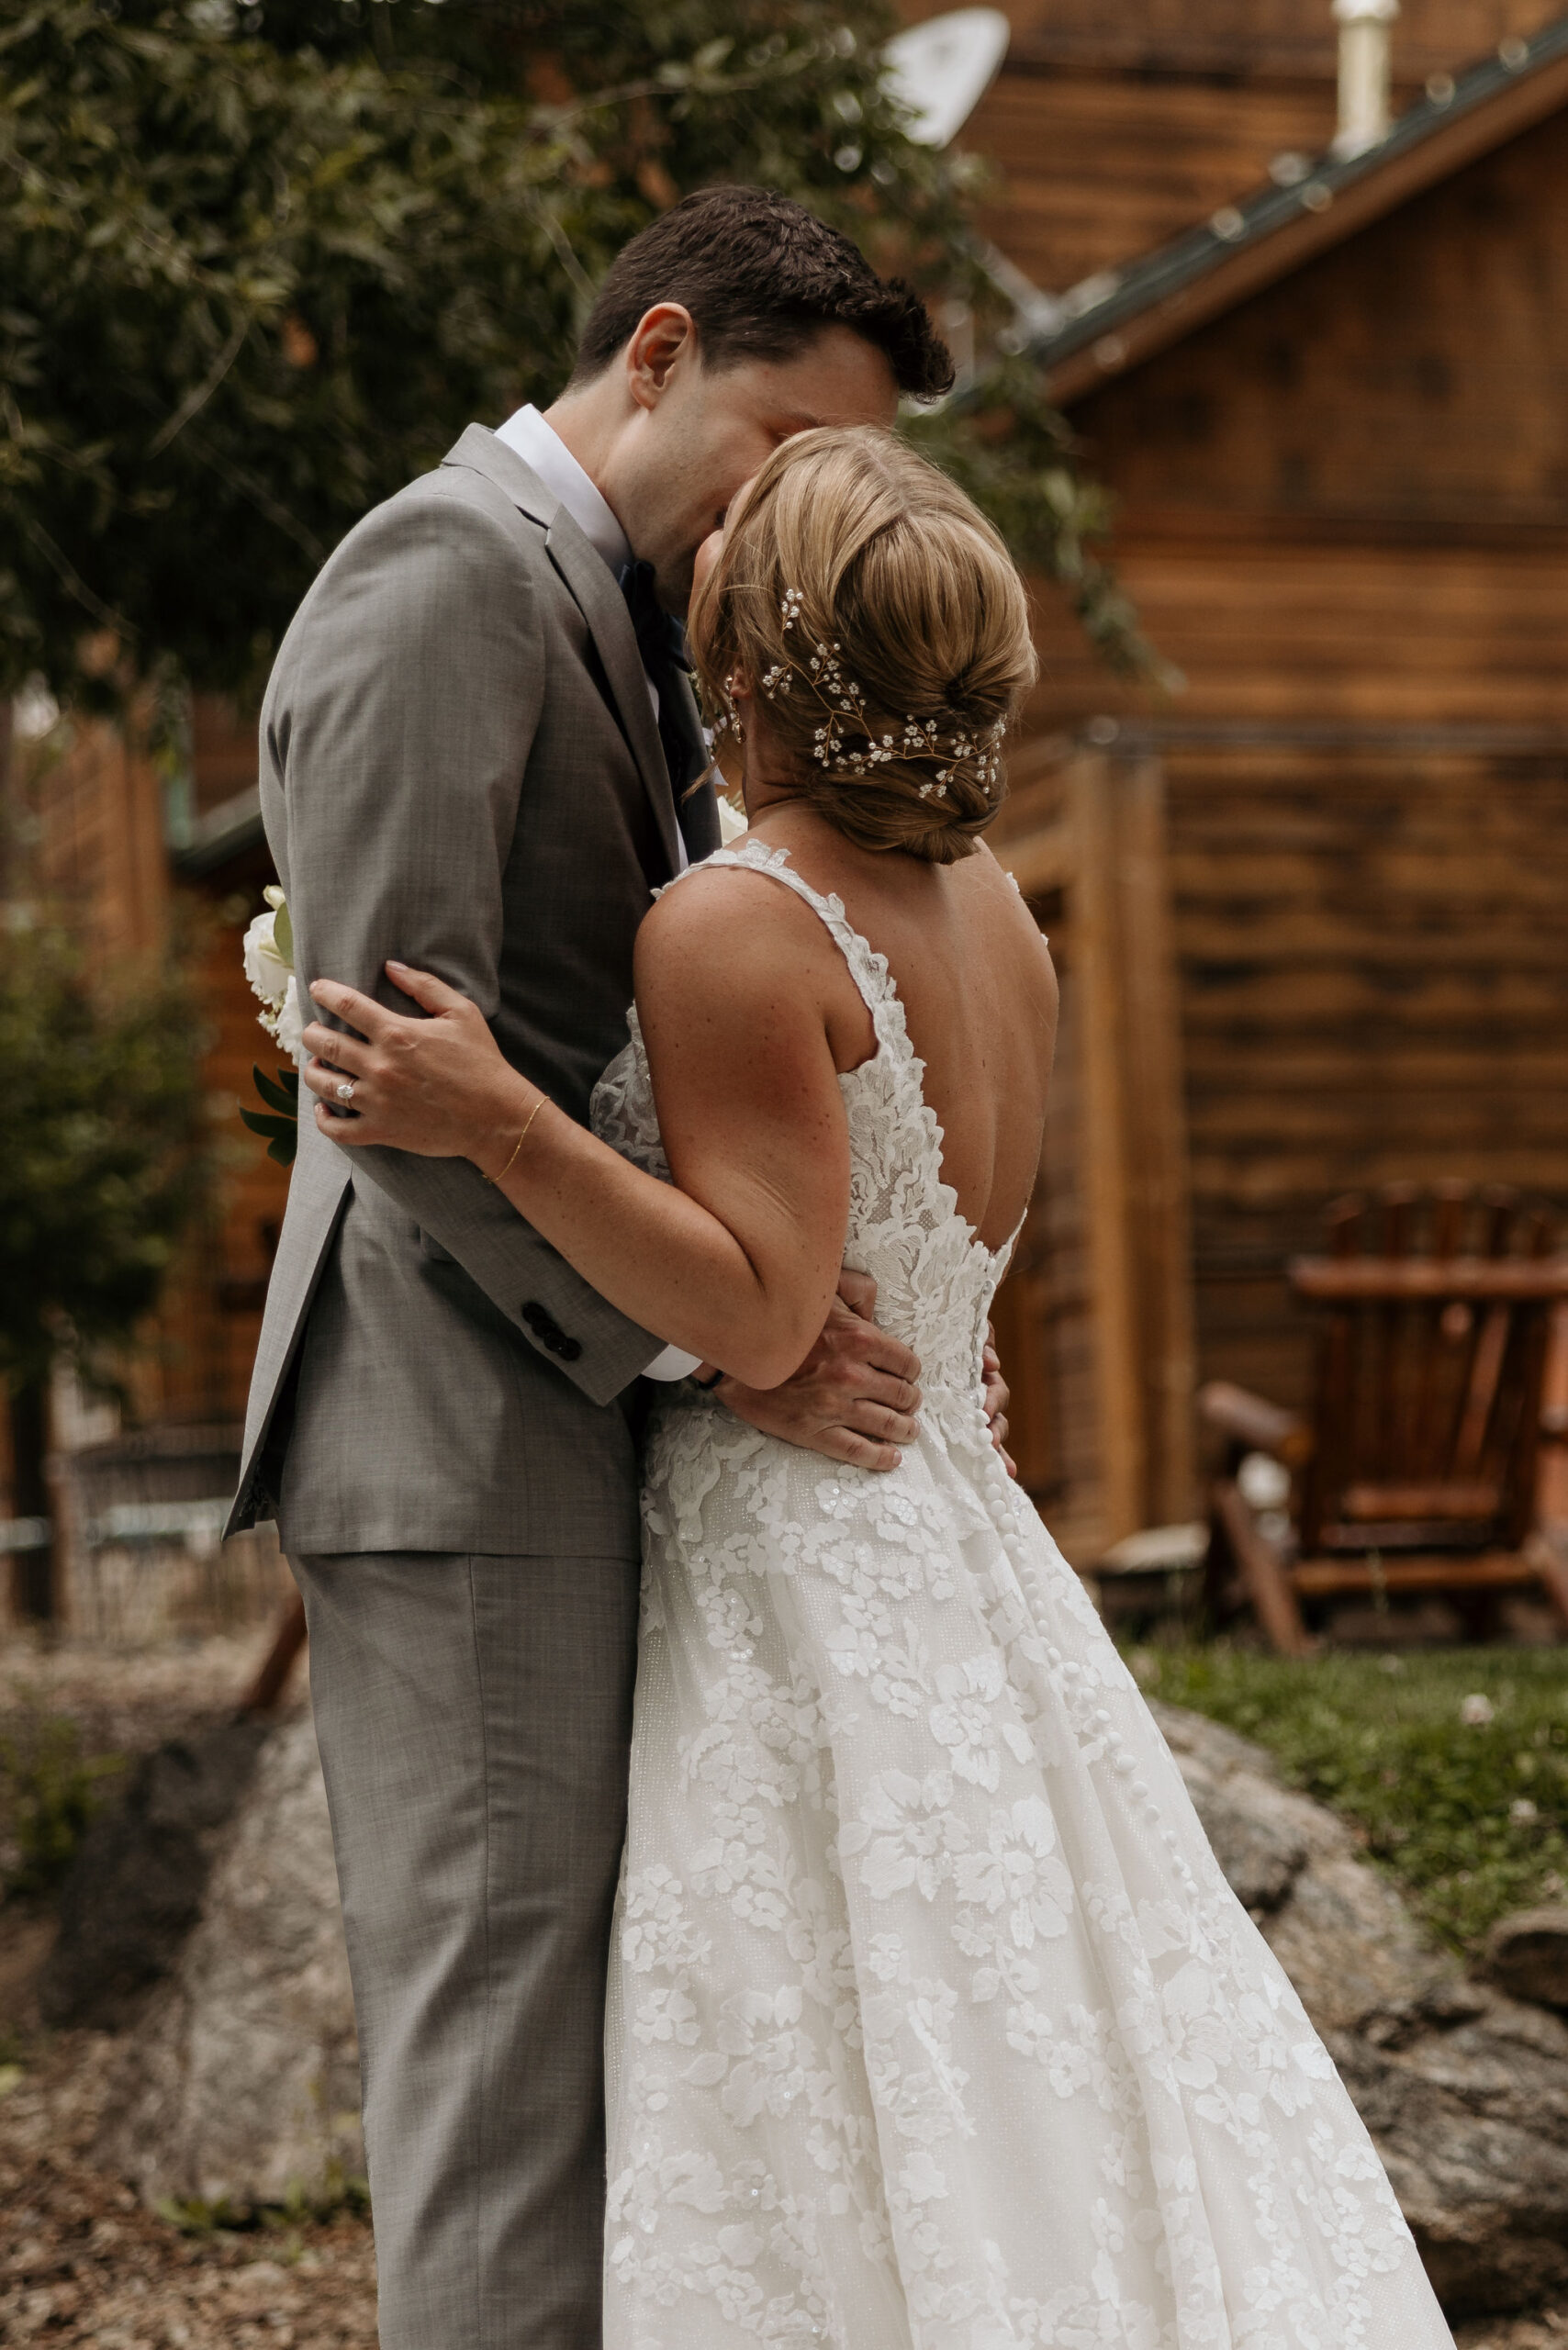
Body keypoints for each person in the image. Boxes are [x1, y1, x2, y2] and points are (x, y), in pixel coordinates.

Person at [304, 428, 1456, 2350]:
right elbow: (915, 1257)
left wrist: (501, 1116)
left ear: (746, 665)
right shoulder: (1002, 916)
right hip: (961, 1541)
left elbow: (762, 1318)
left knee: (844, 2054)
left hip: (807, 1573)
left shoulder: (735, 922)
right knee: (1030, 2043)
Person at [225, 189, 1011, 2350]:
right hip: (463, 1433)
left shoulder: (612, 599)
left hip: (564, 1411)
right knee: (502, 2066)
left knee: (583, 2058)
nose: (781, 510)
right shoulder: (442, 578)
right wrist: (713, 1334)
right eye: (770, 445)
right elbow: (395, 1082)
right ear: (651, 351)